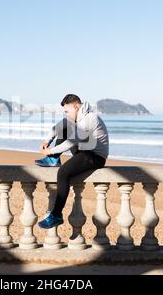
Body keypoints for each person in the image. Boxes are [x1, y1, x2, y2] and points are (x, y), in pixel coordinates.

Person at [35, 94, 109, 229]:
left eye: (67, 111)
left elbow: (70, 142)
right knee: (65, 128)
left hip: (95, 156)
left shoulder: (90, 119)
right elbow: (59, 126)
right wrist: (47, 141)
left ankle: (56, 215)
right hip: (84, 151)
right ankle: (54, 160)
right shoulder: (76, 117)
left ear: (76, 106)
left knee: (63, 173)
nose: (67, 115)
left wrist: (49, 151)